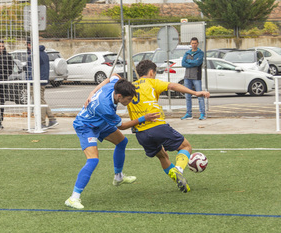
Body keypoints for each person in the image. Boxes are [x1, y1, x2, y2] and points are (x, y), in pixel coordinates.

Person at [65, 75, 160, 209]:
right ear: (119, 96)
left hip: (100, 121)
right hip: (86, 126)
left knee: (122, 142)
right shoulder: (106, 107)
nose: (131, 101)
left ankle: (118, 177)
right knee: (93, 160)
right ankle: (73, 198)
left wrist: (92, 91)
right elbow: (122, 126)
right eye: (128, 99)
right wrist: (144, 118)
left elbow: (114, 76)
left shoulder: (115, 86)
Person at [127, 60, 210, 193]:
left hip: (140, 133)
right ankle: (179, 169)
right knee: (186, 147)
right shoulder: (151, 82)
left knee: (162, 156)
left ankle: (177, 179)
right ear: (151, 72)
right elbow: (172, 86)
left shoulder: (129, 87)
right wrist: (195, 93)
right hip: (157, 126)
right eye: (154, 74)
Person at [26, 38, 58, 129]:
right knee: (41, 101)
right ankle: (52, 119)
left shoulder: (35, 55)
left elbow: (32, 69)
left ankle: (42, 123)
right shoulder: (43, 53)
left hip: (36, 81)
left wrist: (29, 79)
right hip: (41, 80)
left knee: (39, 102)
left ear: (29, 45)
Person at [181, 37, 206, 120]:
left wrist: (189, 61)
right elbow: (183, 63)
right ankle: (188, 114)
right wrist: (192, 63)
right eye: (192, 43)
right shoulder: (187, 53)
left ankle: (202, 113)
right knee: (188, 96)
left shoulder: (200, 53)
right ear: (190, 44)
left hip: (196, 77)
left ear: (197, 44)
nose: (194, 45)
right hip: (187, 77)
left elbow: (198, 63)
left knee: (200, 96)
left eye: (195, 43)